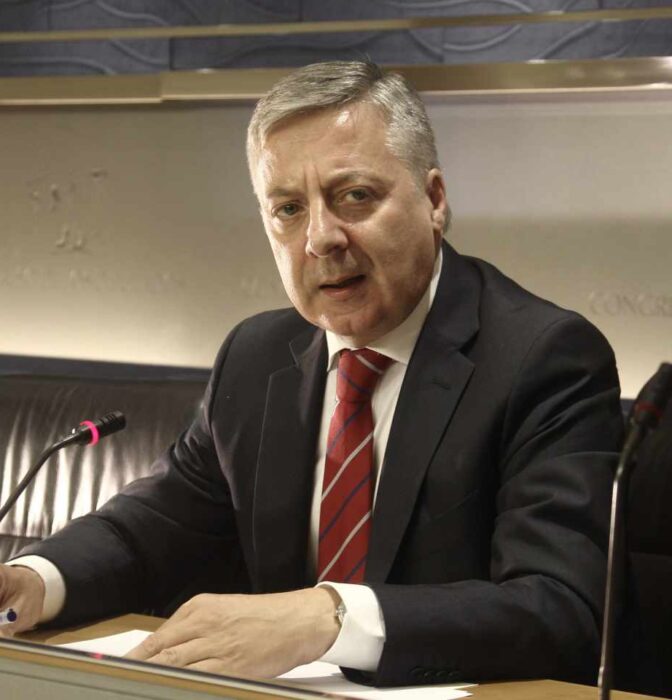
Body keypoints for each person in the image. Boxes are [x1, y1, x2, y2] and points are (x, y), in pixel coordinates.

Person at [0, 61, 623, 687]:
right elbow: (154, 528)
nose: (321, 238)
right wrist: (32, 578)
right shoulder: (255, 356)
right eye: (289, 209)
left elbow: (559, 608)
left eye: (355, 196)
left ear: (434, 200)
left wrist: (329, 616)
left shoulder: (544, 358)